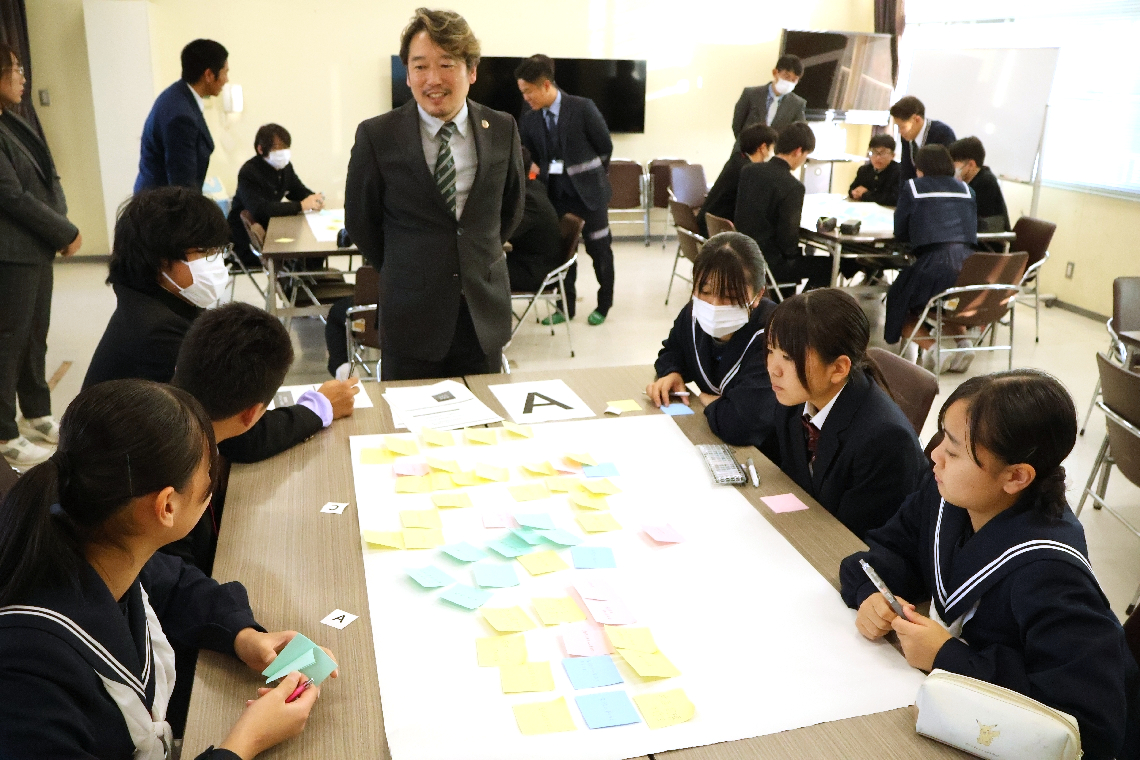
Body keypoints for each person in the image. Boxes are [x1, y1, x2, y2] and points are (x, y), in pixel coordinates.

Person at [0, 379, 336, 758]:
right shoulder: (27, 679)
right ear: (167, 506)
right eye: (208, 471)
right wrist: (245, 742)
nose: (212, 481)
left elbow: (174, 585)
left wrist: (242, 635)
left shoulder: (98, 542)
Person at [840, 371, 1140, 760]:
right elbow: (885, 555)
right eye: (942, 439)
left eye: (953, 452)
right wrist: (872, 595)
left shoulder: (1051, 573)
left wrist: (946, 656)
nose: (934, 456)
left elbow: (1090, 723)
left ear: (1016, 476)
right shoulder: (950, 496)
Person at [83, 189, 357, 465]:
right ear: (160, 260)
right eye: (205, 252)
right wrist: (320, 407)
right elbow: (238, 436)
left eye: (218, 250)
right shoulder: (157, 333)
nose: (216, 261)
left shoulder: (156, 306)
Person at [345, 8, 525, 380]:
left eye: (446, 65)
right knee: (407, 416)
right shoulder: (377, 136)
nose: (433, 79)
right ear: (408, 74)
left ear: (471, 71)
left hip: (481, 314)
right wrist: (408, 266)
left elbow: (511, 208)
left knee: (484, 415)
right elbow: (361, 222)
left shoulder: (501, 128)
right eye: (420, 66)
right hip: (411, 316)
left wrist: (474, 254)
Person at [766, 288, 926, 540]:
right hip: (806, 531)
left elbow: (855, 540)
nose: (773, 369)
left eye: (788, 357)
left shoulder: (884, 440)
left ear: (839, 368)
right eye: (770, 350)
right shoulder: (796, 398)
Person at [0, 42, 82, 468]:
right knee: (8, 342)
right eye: (14, 68)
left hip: (36, 247)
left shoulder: (14, 120)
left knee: (35, 335)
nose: (22, 76)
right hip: (11, 253)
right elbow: (12, 196)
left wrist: (60, 222)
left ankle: (36, 411)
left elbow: (48, 176)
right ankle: (4, 433)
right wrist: (64, 230)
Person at [647, 232, 781, 462]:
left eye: (729, 296)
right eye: (705, 292)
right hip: (711, 440)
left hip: (765, 456)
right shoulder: (694, 314)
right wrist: (672, 372)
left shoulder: (774, 338)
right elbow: (672, 350)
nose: (714, 305)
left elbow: (743, 425)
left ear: (758, 295)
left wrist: (708, 401)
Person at [516, 53, 614, 325]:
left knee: (600, 252)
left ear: (546, 85)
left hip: (590, 195)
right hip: (555, 197)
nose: (526, 98)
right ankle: (565, 307)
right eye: (522, 92)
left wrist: (591, 176)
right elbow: (529, 156)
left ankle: (604, 305)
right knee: (563, 254)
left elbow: (605, 147)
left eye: (528, 91)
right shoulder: (530, 118)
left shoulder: (582, 107)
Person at [885, 145, 978, 373]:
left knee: (900, 301)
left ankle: (935, 350)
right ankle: (964, 344)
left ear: (921, 168)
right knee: (946, 303)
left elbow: (900, 230)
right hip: (970, 264)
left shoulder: (913, 188)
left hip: (935, 263)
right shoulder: (967, 190)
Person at [734, 121, 830, 294]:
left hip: (742, 256)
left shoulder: (749, 171)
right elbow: (788, 240)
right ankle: (800, 306)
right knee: (827, 266)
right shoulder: (793, 186)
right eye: (806, 154)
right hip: (769, 265)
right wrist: (797, 254)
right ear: (798, 151)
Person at [135, 39, 228, 192]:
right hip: (162, 203)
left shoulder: (178, 96)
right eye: (225, 72)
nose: (226, 80)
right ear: (209, 75)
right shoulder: (181, 116)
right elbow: (182, 185)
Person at [227, 123, 325, 267]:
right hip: (248, 242)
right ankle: (301, 280)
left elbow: (298, 191)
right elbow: (260, 210)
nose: (283, 152)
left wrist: (315, 198)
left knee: (315, 250)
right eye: (277, 148)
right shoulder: (249, 172)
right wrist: (301, 206)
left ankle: (310, 279)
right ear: (260, 149)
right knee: (307, 253)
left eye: (286, 147)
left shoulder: (285, 167)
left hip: (273, 232)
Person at [697, 123, 777, 237]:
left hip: (708, 224)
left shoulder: (737, 160)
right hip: (718, 232)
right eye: (772, 147)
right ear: (763, 147)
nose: (772, 151)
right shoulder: (748, 171)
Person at [505, 146, 562, 294]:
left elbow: (503, 233)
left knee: (474, 272)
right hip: (526, 260)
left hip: (534, 271)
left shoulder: (528, 199)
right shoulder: (531, 187)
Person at [732, 54, 807, 137]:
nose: (789, 82)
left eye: (794, 80)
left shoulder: (797, 104)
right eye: (786, 77)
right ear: (775, 73)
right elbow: (737, 125)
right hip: (748, 144)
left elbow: (799, 134)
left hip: (777, 145)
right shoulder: (750, 94)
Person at [948, 136, 1010, 232]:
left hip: (988, 238)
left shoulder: (986, 182)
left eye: (954, 164)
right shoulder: (969, 181)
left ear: (971, 164)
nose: (952, 169)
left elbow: (972, 220)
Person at [889, 95, 956, 183]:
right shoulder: (907, 137)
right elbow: (906, 171)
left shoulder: (942, 133)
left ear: (917, 119)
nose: (899, 132)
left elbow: (945, 173)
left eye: (902, 127)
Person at [848, 133, 901, 206]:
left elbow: (893, 199)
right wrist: (854, 193)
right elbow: (852, 189)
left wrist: (865, 194)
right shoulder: (864, 170)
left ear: (893, 155)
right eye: (874, 152)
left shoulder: (899, 172)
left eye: (882, 153)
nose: (878, 157)